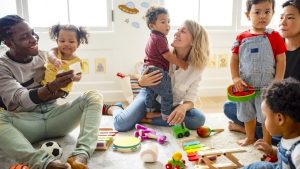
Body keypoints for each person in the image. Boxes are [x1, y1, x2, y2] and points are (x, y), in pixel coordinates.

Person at [0, 15, 102, 169]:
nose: (34, 39)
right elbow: (21, 99)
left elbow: (64, 87)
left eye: (33, 33)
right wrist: (51, 87)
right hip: (26, 122)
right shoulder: (3, 67)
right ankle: (43, 163)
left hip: (54, 116)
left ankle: (81, 155)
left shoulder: (45, 56)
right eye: (25, 37)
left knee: (93, 95)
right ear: (9, 43)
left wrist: (65, 86)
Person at [105, 20, 209, 132]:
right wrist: (141, 81)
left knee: (198, 119)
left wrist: (183, 107)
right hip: (149, 97)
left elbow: (190, 99)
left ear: (194, 41)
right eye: (178, 29)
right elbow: (144, 74)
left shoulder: (196, 69)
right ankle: (115, 108)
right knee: (121, 124)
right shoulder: (162, 53)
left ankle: (148, 118)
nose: (176, 33)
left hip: (170, 105)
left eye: (183, 31)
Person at [224, 0, 300, 146]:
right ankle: (250, 136)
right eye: (257, 12)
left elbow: (281, 61)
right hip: (246, 88)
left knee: (265, 116)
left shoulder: (275, 37)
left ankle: (266, 140)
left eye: (267, 12)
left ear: (272, 13)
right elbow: (234, 60)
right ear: (247, 15)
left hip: (267, 89)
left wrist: (276, 82)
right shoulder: (241, 38)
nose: (262, 16)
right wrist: (235, 78)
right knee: (241, 110)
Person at [243, 77, 300, 169]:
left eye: (265, 117)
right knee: (258, 166)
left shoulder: (298, 152)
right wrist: (272, 151)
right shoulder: (289, 135)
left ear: (280, 119)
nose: (263, 121)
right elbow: (285, 154)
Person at [142, 6, 188, 120]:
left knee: (151, 91)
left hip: (147, 69)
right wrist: (182, 64)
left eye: (168, 21)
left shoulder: (152, 37)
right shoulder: (159, 38)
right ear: (152, 25)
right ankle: (165, 115)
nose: (168, 25)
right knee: (167, 94)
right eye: (163, 22)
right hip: (156, 70)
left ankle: (150, 109)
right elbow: (167, 55)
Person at [41, 24, 88, 96]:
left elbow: (79, 77)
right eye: (62, 41)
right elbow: (50, 54)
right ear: (57, 42)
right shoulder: (55, 51)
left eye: (71, 41)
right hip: (47, 85)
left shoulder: (76, 61)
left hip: (62, 90)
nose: (66, 44)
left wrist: (74, 77)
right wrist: (55, 60)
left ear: (78, 44)